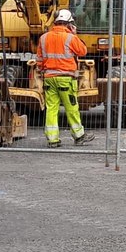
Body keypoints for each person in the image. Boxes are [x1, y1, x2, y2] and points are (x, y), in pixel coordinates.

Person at [37, 9, 95, 148]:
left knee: (51, 108)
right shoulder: (70, 37)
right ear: (69, 24)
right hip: (66, 79)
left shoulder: (44, 37)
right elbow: (83, 51)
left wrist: (43, 70)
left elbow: (39, 60)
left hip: (49, 78)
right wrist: (74, 34)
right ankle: (79, 136)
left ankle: (52, 140)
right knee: (72, 108)